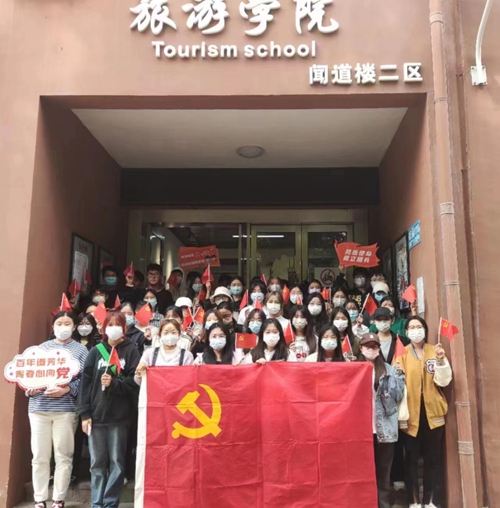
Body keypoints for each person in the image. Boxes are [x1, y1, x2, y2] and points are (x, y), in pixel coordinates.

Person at [76, 311, 140, 508]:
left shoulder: (131, 351)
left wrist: (115, 383)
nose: (114, 328)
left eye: (118, 324)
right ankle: (97, 503)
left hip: (120, 418)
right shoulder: (96, 351)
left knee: (117, 463)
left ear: (125, 328)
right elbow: (85, 385)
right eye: (110, 324)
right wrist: (84, 414)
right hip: (96, 417)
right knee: (97, 463)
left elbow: (135, 383)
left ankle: (110, 503)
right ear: (103, 328)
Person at [28, 311, 88, 508]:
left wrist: (68, 389)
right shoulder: (41, 349)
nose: (63, 327)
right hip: (39, 409)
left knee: (64, 455)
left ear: (74, 327)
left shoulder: (81, 351)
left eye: (67, 323)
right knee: (39, 456)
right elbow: (27, 375)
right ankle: (39, 499)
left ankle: (58, 499)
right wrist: (30, 388)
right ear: (53, 327)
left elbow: (85, 380)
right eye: (59, 323)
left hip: (66, 410)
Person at [397, 317, 452, 508]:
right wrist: (397, 374)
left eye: (419, 326)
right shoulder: (401, 354)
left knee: (433, 460)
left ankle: (430, 501)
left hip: (433, 414)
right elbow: (396, 386)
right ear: (406, 332)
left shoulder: (434, 350)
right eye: (411, 327)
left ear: (425, 329)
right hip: (410, 415)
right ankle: (413, 501)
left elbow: (444, 381)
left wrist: (441, 361)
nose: (416, 330)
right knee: (411, 461)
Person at [359, 333, 405, 508]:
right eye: (367, 346)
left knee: (384, 472)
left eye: (374, 346)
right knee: (363, 471)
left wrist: (398, 377)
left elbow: (397, 396)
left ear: (379, 349)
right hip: (361, 430)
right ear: (361, 348)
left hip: (384, 429)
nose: (371, 350)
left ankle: (383, 504)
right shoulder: (353, 369)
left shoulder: (389, 370)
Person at [134, 319, 194, 383]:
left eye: (173, 332)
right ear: (160, 335)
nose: (170, 335)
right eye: (166, 332)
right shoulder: (149, 354)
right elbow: (139, 382)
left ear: (179, 334)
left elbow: (189, 381)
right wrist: (139, 373)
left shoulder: (187, 356)